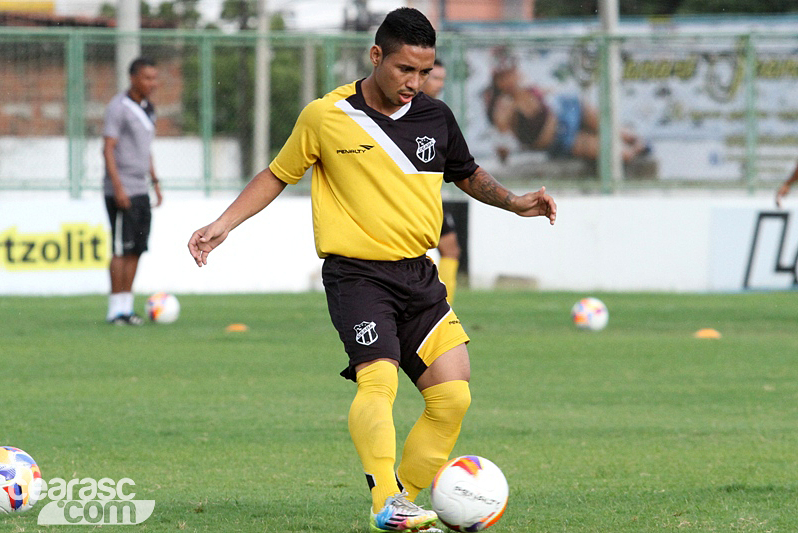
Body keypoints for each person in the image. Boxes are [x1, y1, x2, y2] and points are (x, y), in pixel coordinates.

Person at [188, 8, 556, 533]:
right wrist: (224, 224)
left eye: (424, 72)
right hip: (357, 276)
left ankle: (403, 498)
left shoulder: (435, 117)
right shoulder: (326, 115)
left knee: (453, 395)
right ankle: (385, 499)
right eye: (405, 69)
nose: (415, 82)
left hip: (419, 276)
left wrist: (516, 202)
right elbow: (277, 174)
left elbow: (467, 173)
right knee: (378, 379)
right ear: (376, 55)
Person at [484, 60, 649, 163]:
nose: (510, 80)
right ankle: (634, 150)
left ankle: (639, 142)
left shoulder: (528, 88)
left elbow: (551, 93)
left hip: (566, 112)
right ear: (497, 83)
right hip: (560, 139)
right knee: (618, 154)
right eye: (503, 78)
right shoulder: (504, 105)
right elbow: (502, 140)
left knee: (613, 130)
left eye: (511, 74)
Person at [103, 57, 162, 325]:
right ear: (133, 78)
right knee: (120, 248)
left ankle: (127, 308)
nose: (152, 83)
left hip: (141, 189)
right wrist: (118, 187)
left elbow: (145, 149)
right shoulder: (119, 107)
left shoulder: (149, 108)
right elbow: (108, 148)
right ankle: (115, 310)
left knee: (136, 248)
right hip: (121, 189)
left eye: (154, 78)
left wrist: (155, 182)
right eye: (147, 78)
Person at [423, 59, 461, 304]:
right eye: (435, 78)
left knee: (450, 248)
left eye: (443, 80)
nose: (440, 85)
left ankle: (442, 308)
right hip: (416, 197)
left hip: (430, 195)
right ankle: (438, 308)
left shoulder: (436, 112)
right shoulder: (415, 114)